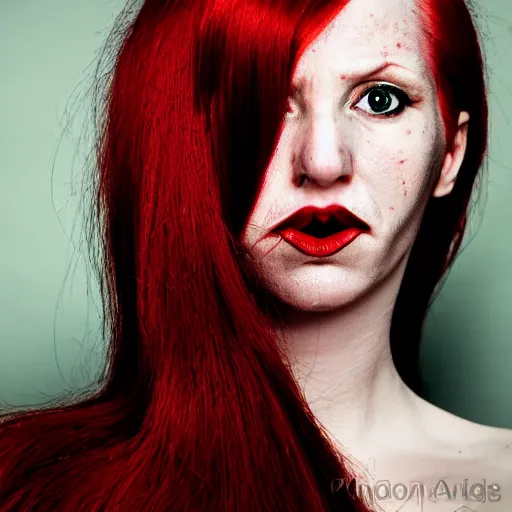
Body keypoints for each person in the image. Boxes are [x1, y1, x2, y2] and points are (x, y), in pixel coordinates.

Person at [0, 0, 510, 510]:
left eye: (381, 100)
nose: (323, 161)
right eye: (258, 101)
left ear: (451, 154)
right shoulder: (31, 490)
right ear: (179, 138)